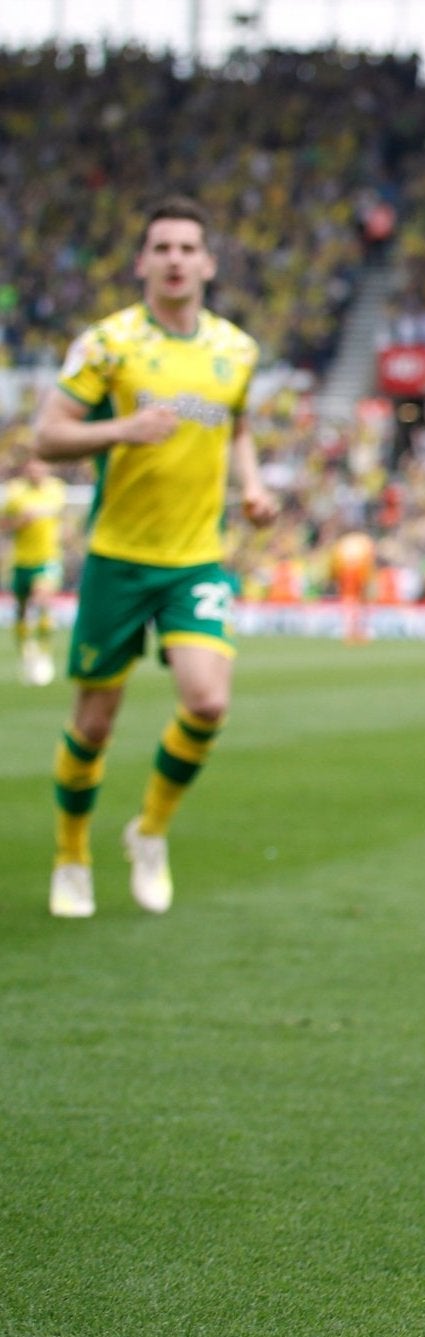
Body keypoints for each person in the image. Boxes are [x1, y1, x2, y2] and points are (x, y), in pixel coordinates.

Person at [33, 195, 275, 920]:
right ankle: (72, 854)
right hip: (119, 557)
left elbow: (234, 429)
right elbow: (47, 435)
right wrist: (123, 430)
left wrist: (254, 485)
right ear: (142, 261)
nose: (174, 259)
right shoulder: (108, 343)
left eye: (186, 247)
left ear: (207, 262)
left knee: (207, 700)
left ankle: (150, 831)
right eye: (161, 247)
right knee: (95, 723)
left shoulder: (236, 350)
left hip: (197, 559)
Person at [3, 455, 68, 685]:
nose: (35, 471)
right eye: (31, 467)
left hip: (47, 558)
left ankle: (43, 654)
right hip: (21, 560)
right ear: (26, 469)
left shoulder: (57, 489)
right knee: (21, 610)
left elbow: (60, 516)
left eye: (40, 466)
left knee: (42, 601)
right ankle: (26, 655)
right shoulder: (15, 492)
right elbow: (5, 525)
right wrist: (21, 521)